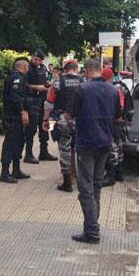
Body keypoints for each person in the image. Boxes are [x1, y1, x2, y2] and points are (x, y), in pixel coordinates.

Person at [69, 59, 121, 244]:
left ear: (86, 71)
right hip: (105, 143)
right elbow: (117, 116)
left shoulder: (82, 89)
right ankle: (92, 226)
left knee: (86, 188)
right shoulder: (113, 90)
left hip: (86, 144)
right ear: (100, 70)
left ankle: (92, 231)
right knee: (96, 185)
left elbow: (71, 114)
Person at [42, 59, 84, 192]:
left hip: (63, 119)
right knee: (81, 149)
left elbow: (49, 103)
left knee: (65, 150)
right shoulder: (84, 82)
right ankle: (80, 178)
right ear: (76, 68)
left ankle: (67, 182)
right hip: (81, 120)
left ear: (65, 69)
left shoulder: (57, 82)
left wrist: (45, 120)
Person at [0, 57, 31, 183]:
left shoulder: (20, 77)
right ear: (23, 66)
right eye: (27, 66)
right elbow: (16, 98)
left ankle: (16, 170)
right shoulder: (16, 78)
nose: (28, 69)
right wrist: (22, 112)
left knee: (19, 142)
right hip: (12, 117)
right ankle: (4, 173)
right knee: (10, 143)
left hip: (17, 116)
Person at [24, 50, 58, 164]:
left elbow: (44, 80)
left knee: (44, 126)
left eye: (40, 60)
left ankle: (44, 152)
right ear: (32, 57)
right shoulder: (27, 68)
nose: (38, 62)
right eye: (36, 59)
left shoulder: (43, 67)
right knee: (32, 128)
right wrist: (36, 87)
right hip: (32, 100)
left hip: (43, 100)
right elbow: (24, 85)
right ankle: (28, 154)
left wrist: (47, 84)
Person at [101, 68, 126, 187]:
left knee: (113, 149)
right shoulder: (119, 88)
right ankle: (119, 174)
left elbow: (118, 107)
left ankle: (110, 177)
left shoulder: (111, 90)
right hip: (120, 122)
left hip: (113, 122)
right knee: (119, 148)